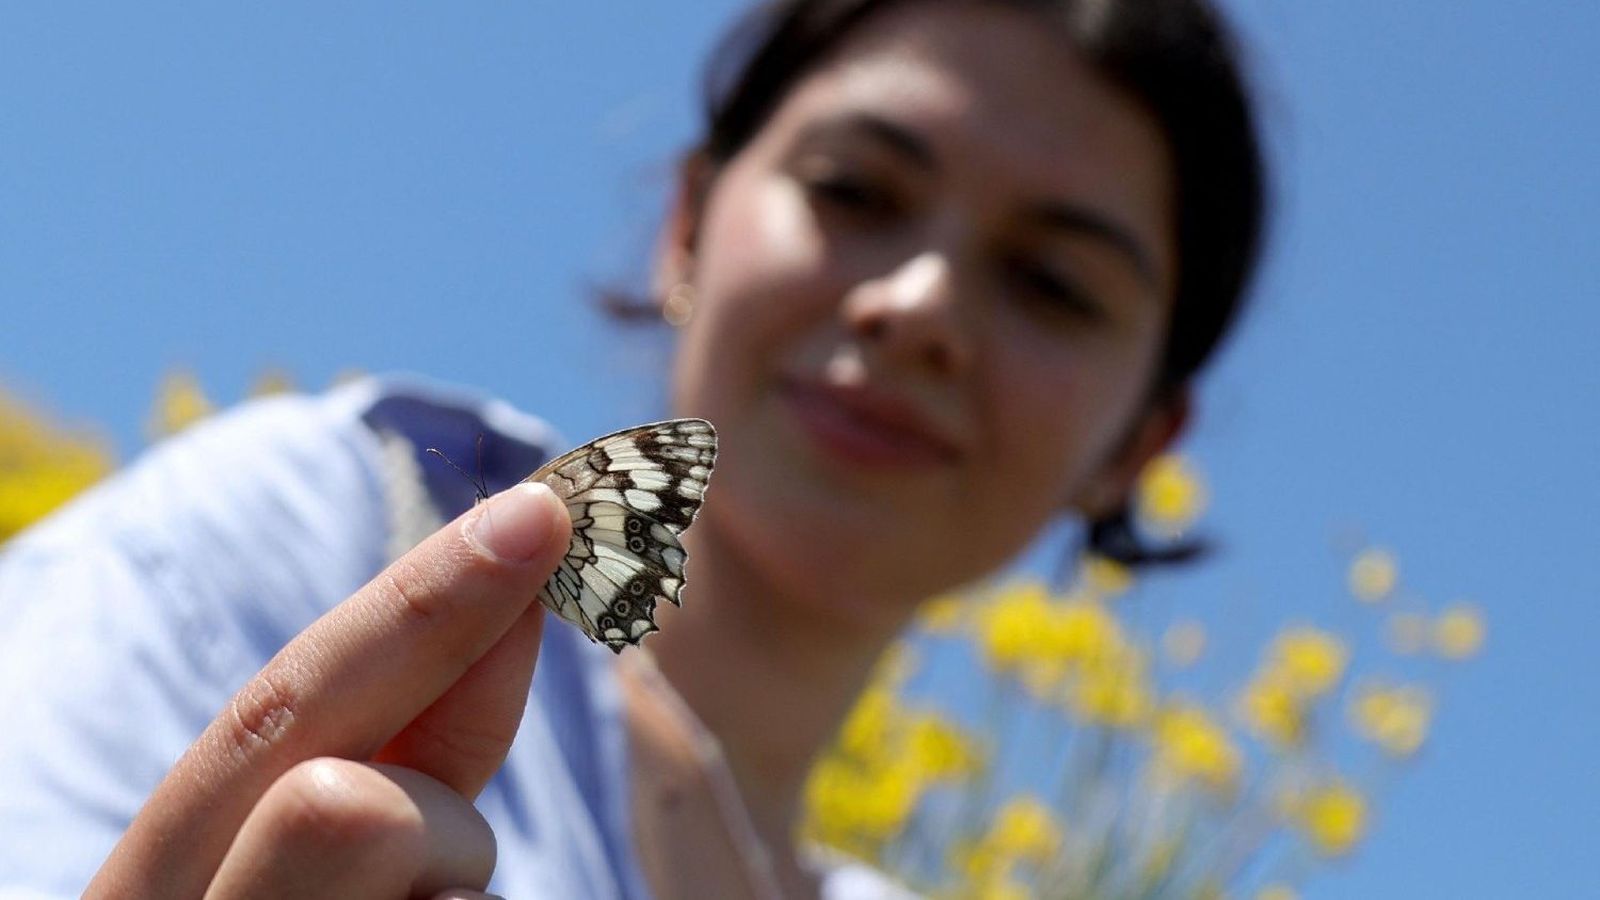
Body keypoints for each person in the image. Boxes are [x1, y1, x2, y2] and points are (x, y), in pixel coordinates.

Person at [0, 0, 1264, 896]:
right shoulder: (321, 528)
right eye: (855, 192)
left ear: (1137, 446)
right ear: (689, 228)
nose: (919, 306)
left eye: (1051, 283)